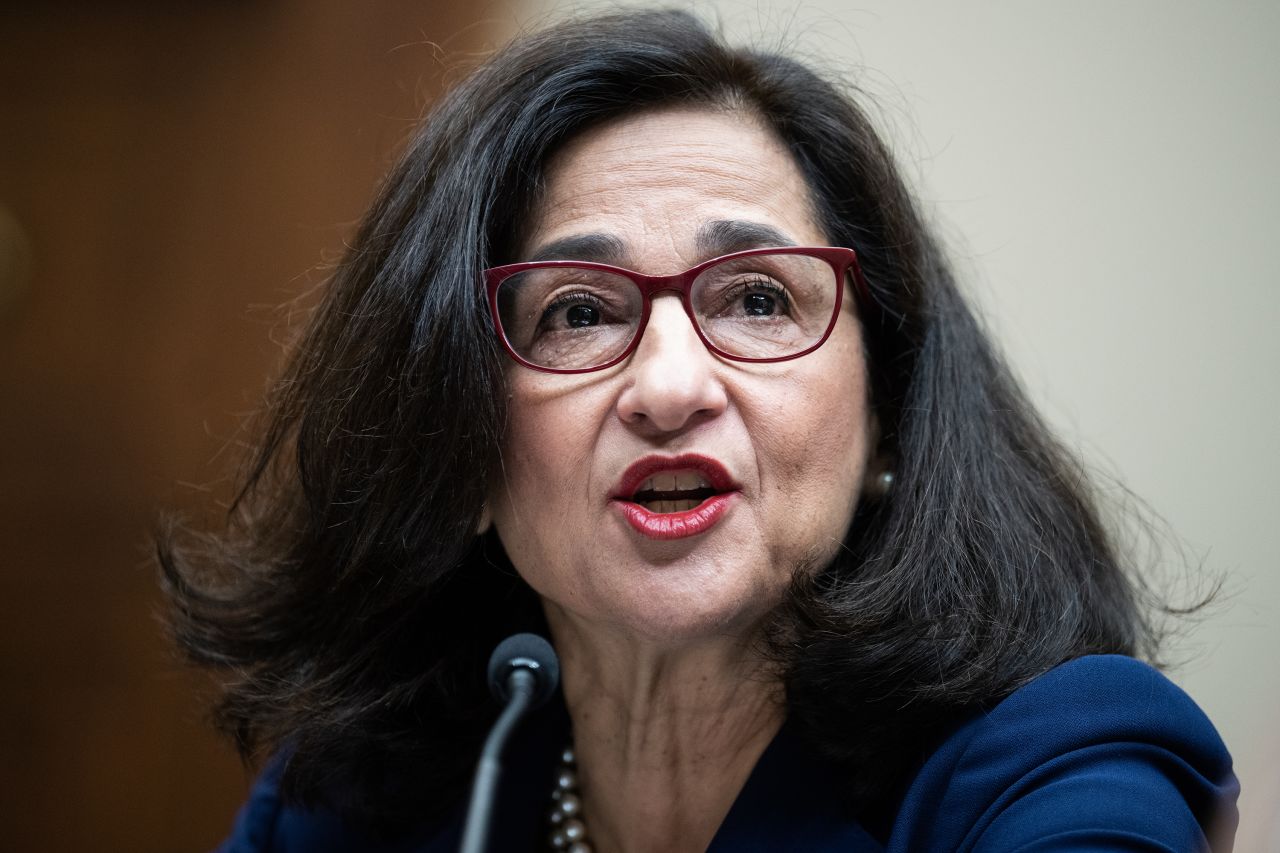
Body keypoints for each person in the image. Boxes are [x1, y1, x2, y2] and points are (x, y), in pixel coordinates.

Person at [160, 9, 1239, 852]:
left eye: (756, 299)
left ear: (888, 411)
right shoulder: (359, 795)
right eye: (576, 312)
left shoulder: (1055, 765)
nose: (670, 385)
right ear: (459, 449)